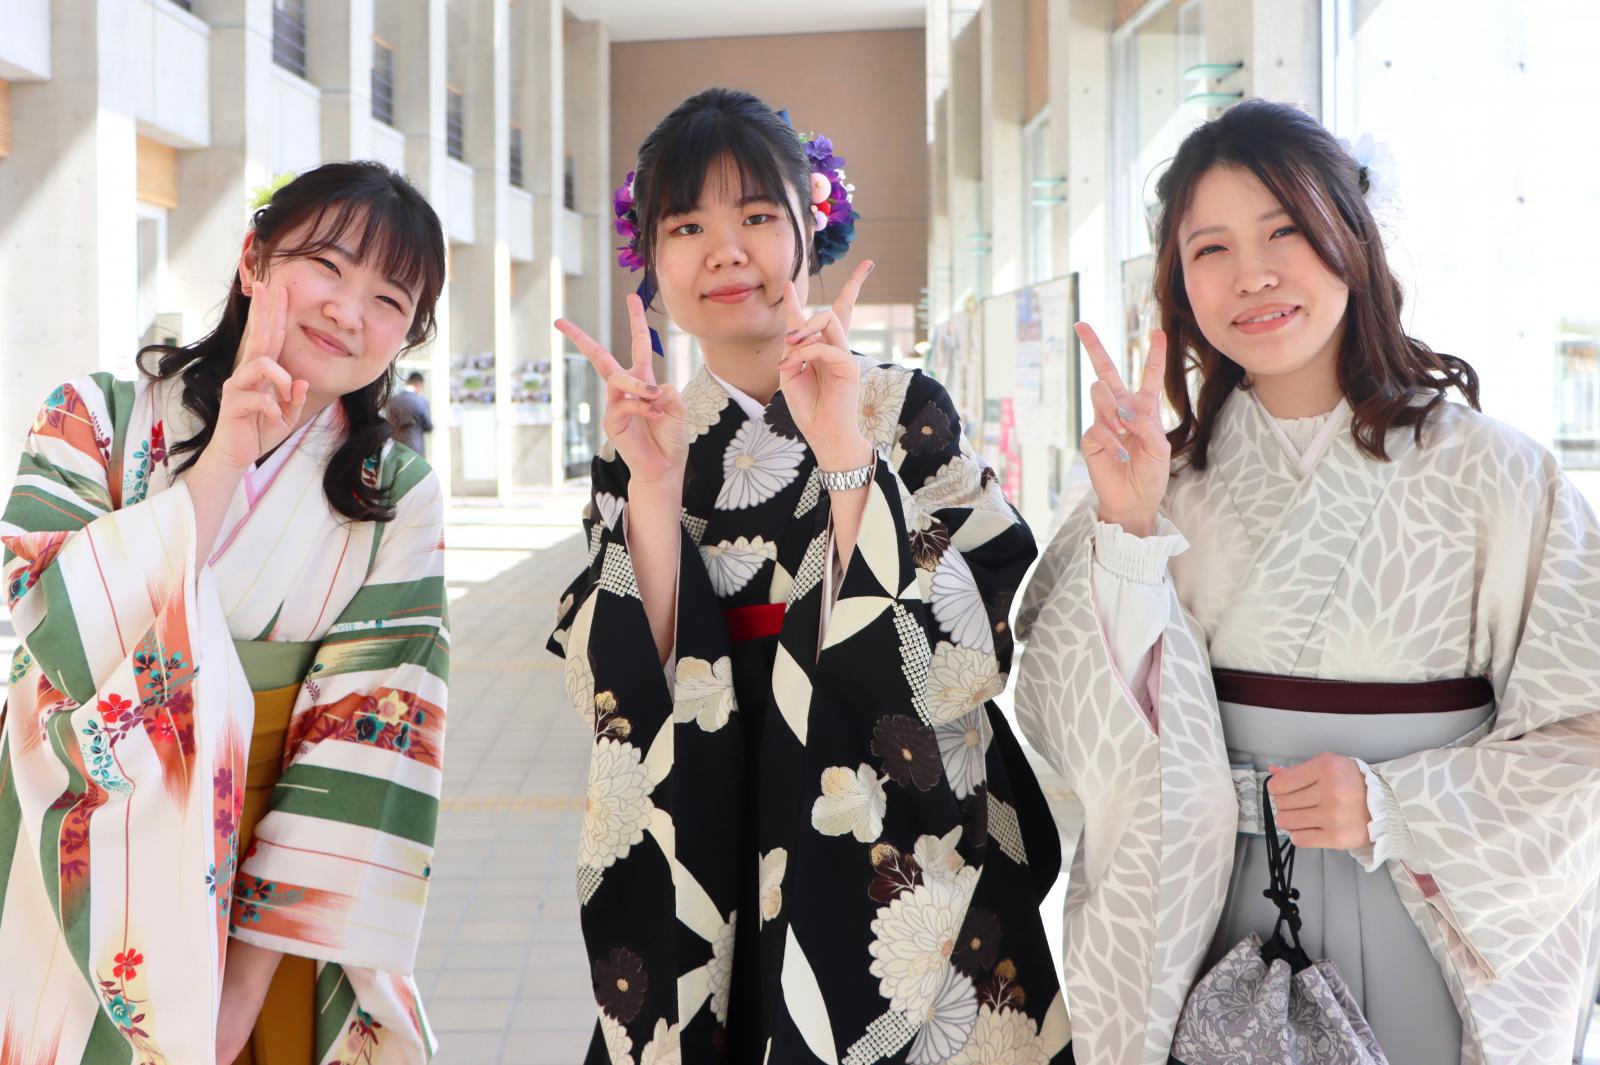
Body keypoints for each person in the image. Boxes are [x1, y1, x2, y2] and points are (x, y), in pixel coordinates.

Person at [1013, 98, 1600, 1065]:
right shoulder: (1160, 480)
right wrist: (1130, 530)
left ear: (1351, 237)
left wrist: (1396, 806)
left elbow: (1583, 729)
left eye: (1284, 229)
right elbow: (1068, 715)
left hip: (1422, 898)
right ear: (1179, 282)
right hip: (1214, 908)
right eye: (1210, 248)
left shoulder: (1498, 471)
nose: (1252, 274)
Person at [548, 87, 1069, 1064]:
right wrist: (653, 489)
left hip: (891, 807)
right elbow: (611, 683)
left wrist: (846, 460)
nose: (724, 251)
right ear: (650, 260)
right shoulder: (642, 434)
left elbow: (973, 635)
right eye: (686, 227)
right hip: (714, 801)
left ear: (809, 225)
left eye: (755, 216)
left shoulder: (899, 403)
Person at [0, 160, 451, 1064]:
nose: (348, 311)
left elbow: (368, 746)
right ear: (253, 259)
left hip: (274, 874)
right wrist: (221, 466)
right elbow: (57, 631)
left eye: (389, 299)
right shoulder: (93, 417)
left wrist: (236, 995)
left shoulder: (395, 493)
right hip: (78, 837)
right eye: (326, 265)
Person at [388, 369, 433, 455]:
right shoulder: (421, 401)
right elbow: (428, 426)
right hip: (415, 447)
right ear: (419, 384)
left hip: (396, 447)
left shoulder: (393, 401)